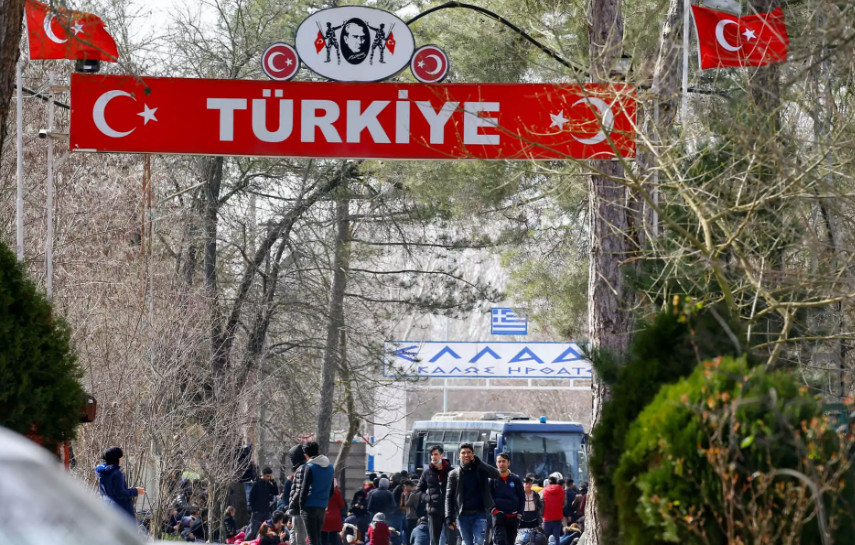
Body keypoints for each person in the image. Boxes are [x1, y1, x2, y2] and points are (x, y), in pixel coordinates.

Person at [445, 443, 501, 545]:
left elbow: (496, 474)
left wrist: (479, 462)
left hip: (480, 513)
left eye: (469, 452)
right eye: (463, 453)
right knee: (466, 542)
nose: (466, 455)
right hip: (462, 515)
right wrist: (449, 517)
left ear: (473, 454)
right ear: (459, 456)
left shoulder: (481, 469)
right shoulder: (453, 474)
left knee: (479, 541)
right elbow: (449, 496)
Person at [417, 445, 457, 545]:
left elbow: (459, 490)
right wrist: (428, 498)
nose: (433, 457)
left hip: (450, 511)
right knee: (434, 540)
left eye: (436, 454)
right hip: (434, 511)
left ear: (442, 455)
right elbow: (419, 490)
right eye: (431, 455)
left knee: (451, 539)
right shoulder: (427, 473)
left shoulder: (452, 472)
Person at [95, 446, 145, 522]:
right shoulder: (116, 474)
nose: (122, 459)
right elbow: (120, 493)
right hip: (121, 511)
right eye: (121, 457)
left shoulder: (102, 473)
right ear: (117, 459)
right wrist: (136, 491)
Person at [300, 441, 336, 545]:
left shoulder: (309, 467)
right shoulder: (330, 467)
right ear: (318, 452)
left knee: (312, 539)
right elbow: (332, 490)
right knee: (318, 536)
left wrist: (301, 505)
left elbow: (304, 489)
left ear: (306, 455)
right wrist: (324, 500)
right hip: (322, 506)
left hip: (309, 505)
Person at [490, 453, 525, 545]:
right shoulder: (492, 480)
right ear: (496, 463)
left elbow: (522, 498)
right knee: (500, 541)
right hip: (498, 516)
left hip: (513, 517)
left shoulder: (516, 479)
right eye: (499, 462)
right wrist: (494, 511)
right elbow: (488, 498)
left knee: (511, 541)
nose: (501, 464)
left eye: (503, 461)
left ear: (508, 463)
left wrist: (519, 514)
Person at [249, 466, 278, 539]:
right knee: (253, 531)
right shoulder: (256, 484)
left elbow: (275, 492)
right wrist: (254, 509)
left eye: (270, 476)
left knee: (267, 529)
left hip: (266, 511)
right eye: (267, 476)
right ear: (263, 475)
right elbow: (251, 498)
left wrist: (273, 482)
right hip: (257, 512)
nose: (268, 478)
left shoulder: (268, 484)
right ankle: (245, 542)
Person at [289, 444, 310, 545]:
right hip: (298, 509)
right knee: (294, 536)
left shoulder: (302, 469)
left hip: (299, 509)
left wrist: (292, 503)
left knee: (299, 537)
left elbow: (300, 490)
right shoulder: (303, 468)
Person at [540, 474, 564, 544]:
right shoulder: (561, 490)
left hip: (547, 517)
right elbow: (563, 503)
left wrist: (541, 514)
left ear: (549, 482)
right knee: (557, 537)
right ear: (556, 482)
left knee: (545, 537)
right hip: (558, 516)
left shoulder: (544, 491)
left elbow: (542, 504)